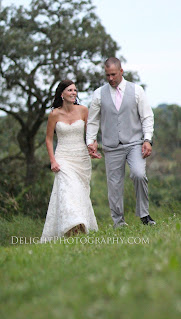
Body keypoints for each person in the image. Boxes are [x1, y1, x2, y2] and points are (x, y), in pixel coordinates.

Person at [86, 57, 156, 228]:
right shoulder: (98, 94)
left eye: (113, 74)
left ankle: (144, 215)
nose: (110, 78)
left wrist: (147, 140)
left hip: (134, 143)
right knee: (114, 184)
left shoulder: (137, 90)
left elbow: (147, 116)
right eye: (107, 75)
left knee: (139, 174)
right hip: (111, 146)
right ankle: (118, 222)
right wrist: (91, 141)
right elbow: (93, 121)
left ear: (121, 72)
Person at [40, 79, 99, 242]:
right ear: (62, 94)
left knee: (79, 193)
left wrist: (93, 147)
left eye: (75, 90)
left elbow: (91, 135)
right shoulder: (54, 114)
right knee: (68, 192)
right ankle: (69, 228)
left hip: (81, 158)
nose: (74, 93)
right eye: (70, 90)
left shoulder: (83, 110)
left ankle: (79, 229)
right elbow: (48, 139)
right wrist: (53, 160)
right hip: (63, 157)